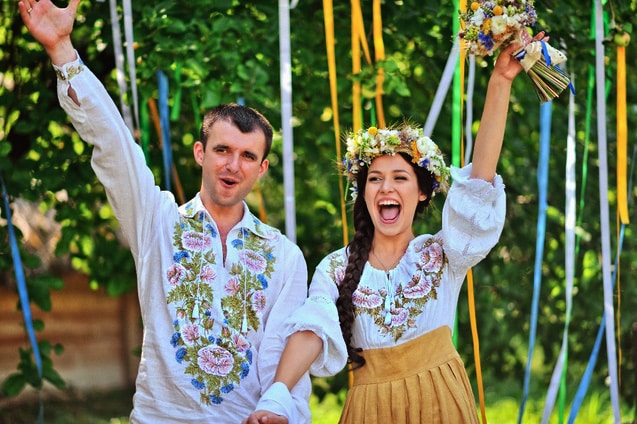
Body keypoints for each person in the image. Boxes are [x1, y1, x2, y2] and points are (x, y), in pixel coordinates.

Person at [18, 0, 311, 422]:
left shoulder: (285, 255)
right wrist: (62, 51)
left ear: (262, 169)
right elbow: (113, 143)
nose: (233, 165)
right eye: (223, 150)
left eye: (248, 156)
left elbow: (285, 357)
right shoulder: (158, 221)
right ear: (200, 153)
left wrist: (279, 411)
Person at [244, 35, 538, 423]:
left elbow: (480, 182)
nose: (386, 188)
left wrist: (500, 81)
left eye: (400, 177)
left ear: (421, 193)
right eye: (375, 179)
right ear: (363, 193)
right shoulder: (336, 267)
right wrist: (276, 398)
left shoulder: (443, 254)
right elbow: (313, 328)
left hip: (442, 403)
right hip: (370, 408)